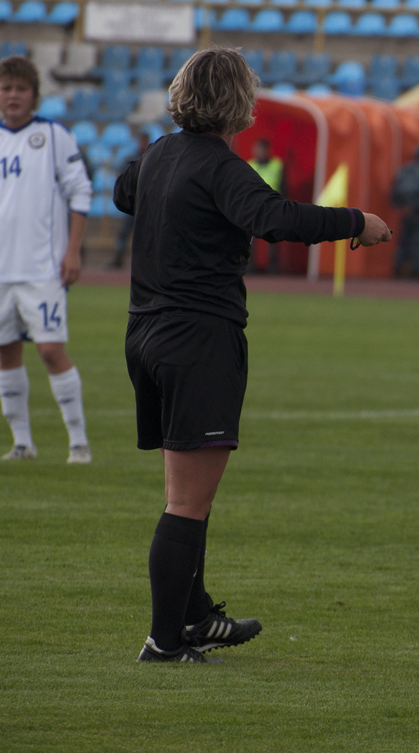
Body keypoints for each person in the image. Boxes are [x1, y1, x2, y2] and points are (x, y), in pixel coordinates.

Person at [113, 47, 392, 663]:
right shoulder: (219, 166)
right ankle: (164, 642)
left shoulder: (159, 154)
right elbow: (272, 218)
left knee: (188, 496)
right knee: (187, 503)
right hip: (197, 338)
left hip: (145, 332)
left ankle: (194, 617)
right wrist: (356, 221)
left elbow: (123, 191)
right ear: (240, 102)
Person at [0, 55, 93, 464]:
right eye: (6, 88)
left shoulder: (54, 136)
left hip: (42, 268)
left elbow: (80, 191)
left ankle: (79, 443)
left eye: (21, 88)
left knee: (51, 350)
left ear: (34, 95)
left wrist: (72, 250)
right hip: (2, 270)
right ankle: (22, 443)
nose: (13, 95)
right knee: (5, 353)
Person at [390, 143, 419, 279]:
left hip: (405, 213)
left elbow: (394, 189)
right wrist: (416, 206)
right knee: (418, 241)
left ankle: (398, 269)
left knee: (403, 240)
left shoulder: (405, 170)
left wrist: (402, 206)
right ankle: (415, 272)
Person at [246, 137, 287, 273]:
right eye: (256, 149)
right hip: (254, 207)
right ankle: (250, 266)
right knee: (250, 239)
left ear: (267, 150)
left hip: (272, 207)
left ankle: (273, 268)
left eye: (261, 149)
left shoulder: (277, 165)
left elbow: (284, 186)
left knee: (272, 238)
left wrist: (282, 204)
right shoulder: (250, 165)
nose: (258, 152)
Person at [110, 131, 149, 269]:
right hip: (133, 202)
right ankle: (118, 259)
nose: (142, 144)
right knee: (124, 232)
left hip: (146, 204)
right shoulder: (132, 158)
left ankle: (145, 262)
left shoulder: (151, 157)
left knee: (146, 235)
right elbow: (122, 177)